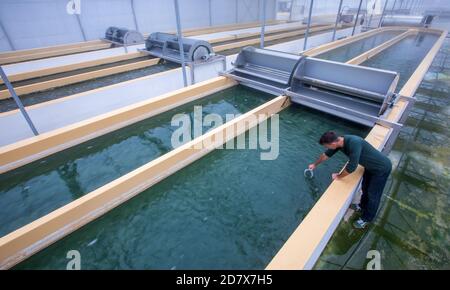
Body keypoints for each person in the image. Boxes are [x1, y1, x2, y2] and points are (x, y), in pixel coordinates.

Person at [309, 131, 392, 229]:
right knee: (365, 187)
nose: (327, 148)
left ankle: (367, 219)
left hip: (381, 168)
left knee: (373, 195)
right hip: (370, 167)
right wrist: (315, 164)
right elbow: (326, 155)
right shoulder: (339, 142)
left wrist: (339, 176)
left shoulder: (354, 142)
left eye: (327, 146)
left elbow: (352, 167)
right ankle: (362, 206)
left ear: (333, 143)